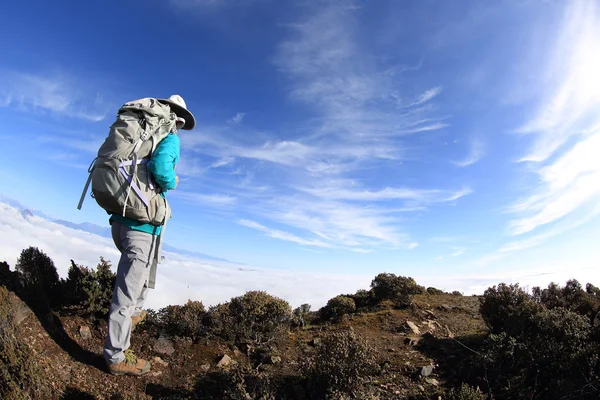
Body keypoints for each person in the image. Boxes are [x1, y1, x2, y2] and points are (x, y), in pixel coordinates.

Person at [103, 95, 195, 376]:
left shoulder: (141, 135)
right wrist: (172, 182)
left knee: (134, 279)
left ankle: (134, 314)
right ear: (177, 118)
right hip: (141, 228)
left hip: (121, 220)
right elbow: (161, 169)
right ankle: (115, 356)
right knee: (126, 292)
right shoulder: (170, 137)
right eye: (180, 121)